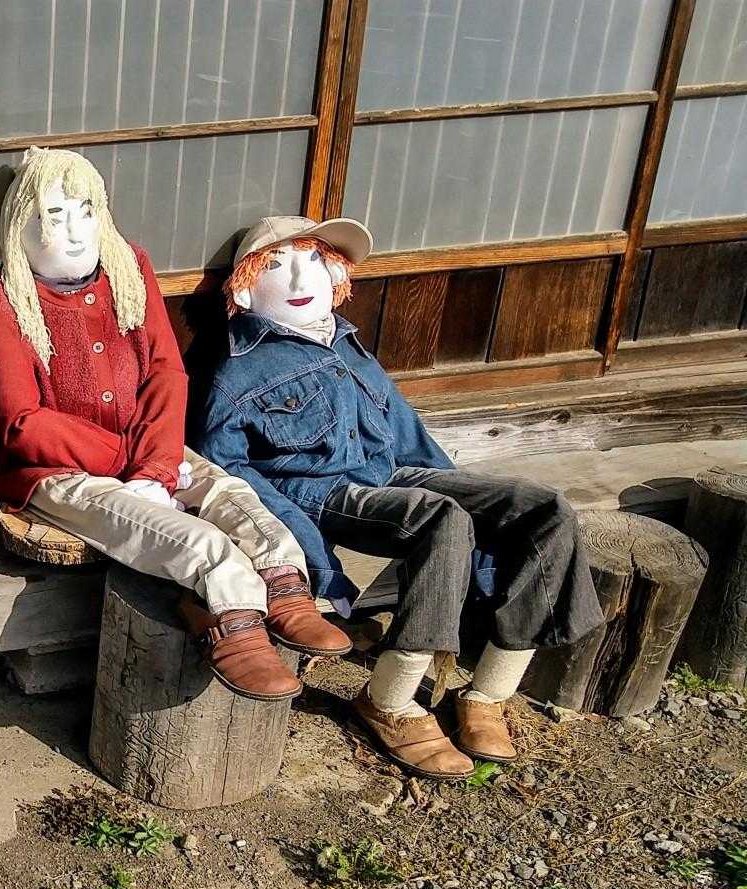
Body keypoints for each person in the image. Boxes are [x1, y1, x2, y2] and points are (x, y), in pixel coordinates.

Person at [196, 215, 602, 778]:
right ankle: (389, 699)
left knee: (544, 507)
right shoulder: (238, 372)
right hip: (323, 491)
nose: (300, 278)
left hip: (391, 473)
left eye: (314, 260)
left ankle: (489, 690)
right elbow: (230, 472)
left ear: (336, 273)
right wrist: (315, 555)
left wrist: (477, 512)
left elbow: (409, 435)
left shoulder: (347, 344)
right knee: (441, 519)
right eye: (276, 266)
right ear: (244, 289)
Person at [0, 148, 349, 702]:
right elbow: (19, 421)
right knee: (183, 535)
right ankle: (231, 617)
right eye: (54, 217)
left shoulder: (128, 266)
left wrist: (154, 466)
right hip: (54, 469)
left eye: (86, 212)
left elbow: (166, 371)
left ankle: (285, 584)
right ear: (19, 225)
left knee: (229, 493)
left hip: (144, 440)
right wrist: (130, 466)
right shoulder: (3, 292)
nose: (75, 232)